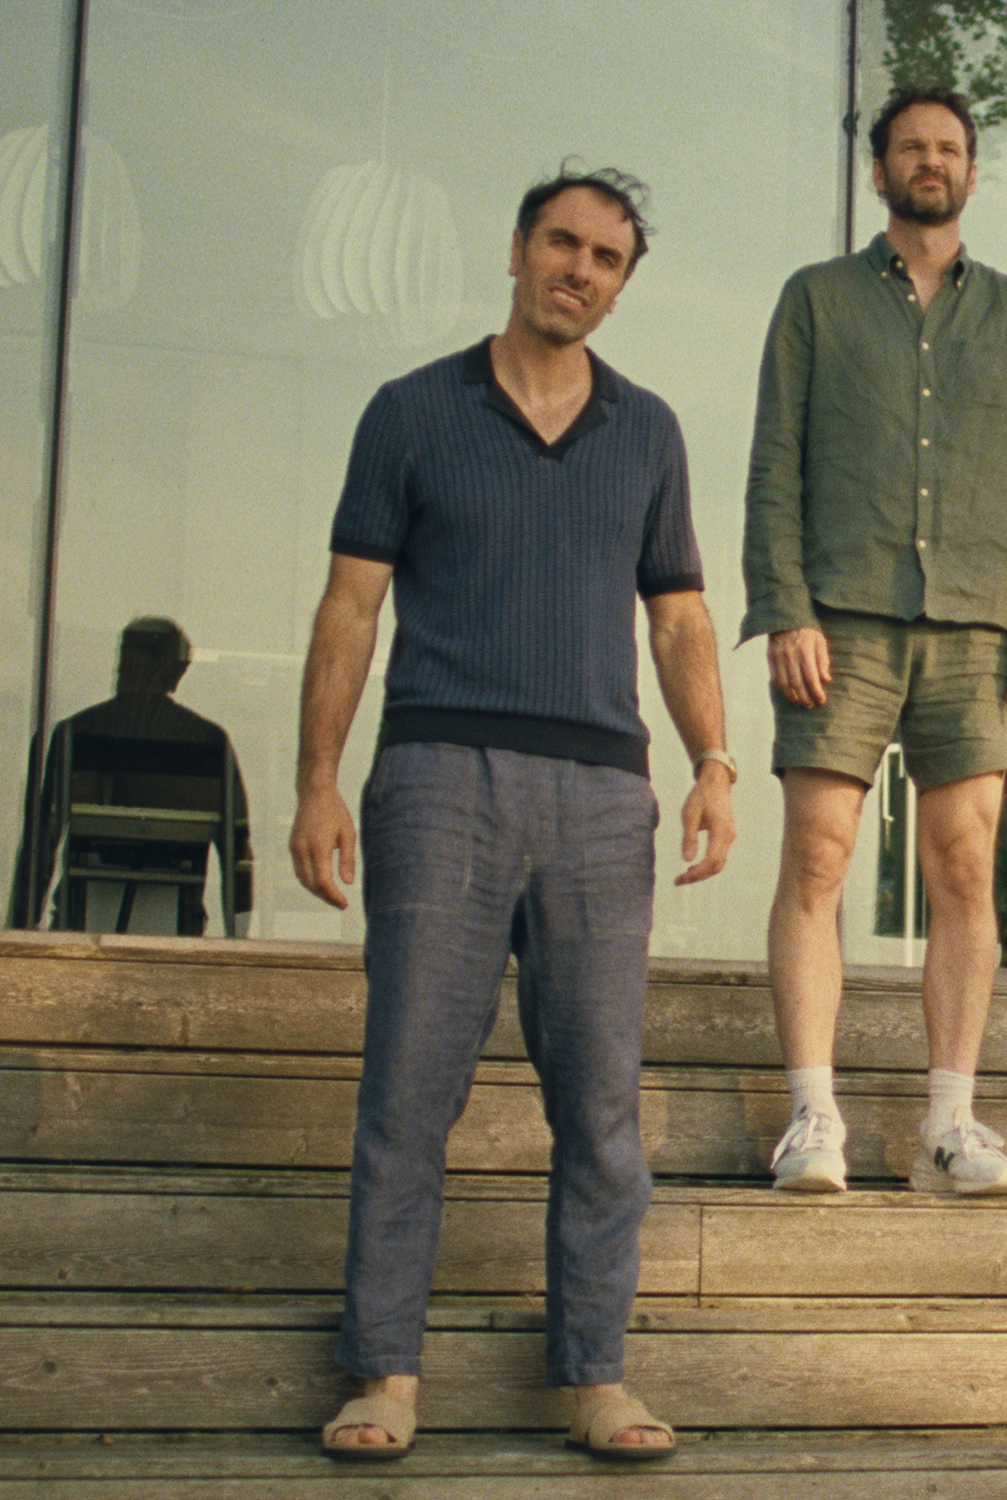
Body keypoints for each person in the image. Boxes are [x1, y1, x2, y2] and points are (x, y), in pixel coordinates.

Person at [290, 166, 736, 1461]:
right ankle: (384, 1371)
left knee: (601, 1101)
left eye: (606, 256)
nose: (579, 269)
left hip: (604, 793)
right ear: (518, 249)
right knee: (406, 1095)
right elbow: (350, 605)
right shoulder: (412, 412)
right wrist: (320, 779)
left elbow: (681, 614)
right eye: (561, 243)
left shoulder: (648, 432)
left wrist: (713, 758)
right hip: (440, 777)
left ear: (622, 280)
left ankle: (595, 1373)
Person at [742, 87, 1007, 1197]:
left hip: (978, 630)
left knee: (967, 871)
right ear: (877, 170)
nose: (928, 162)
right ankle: (811, 1115)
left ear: (971, 174)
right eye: (908, 148)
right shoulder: (815, 300)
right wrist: (783, 605)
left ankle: (951, 1123)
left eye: (947, 149)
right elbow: (772, 468)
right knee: (818, 860)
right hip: (838, 620)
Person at [13, 616, 251, 936]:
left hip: (83, 929)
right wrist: (240, 939)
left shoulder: (74, 734)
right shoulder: (209, 742)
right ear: (178, 674)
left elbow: (39, 843)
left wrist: (19, 930)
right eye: (126, 651)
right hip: (176, 934)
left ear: (165, 669)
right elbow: (238, 853)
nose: (122, 663)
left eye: (132, 652)